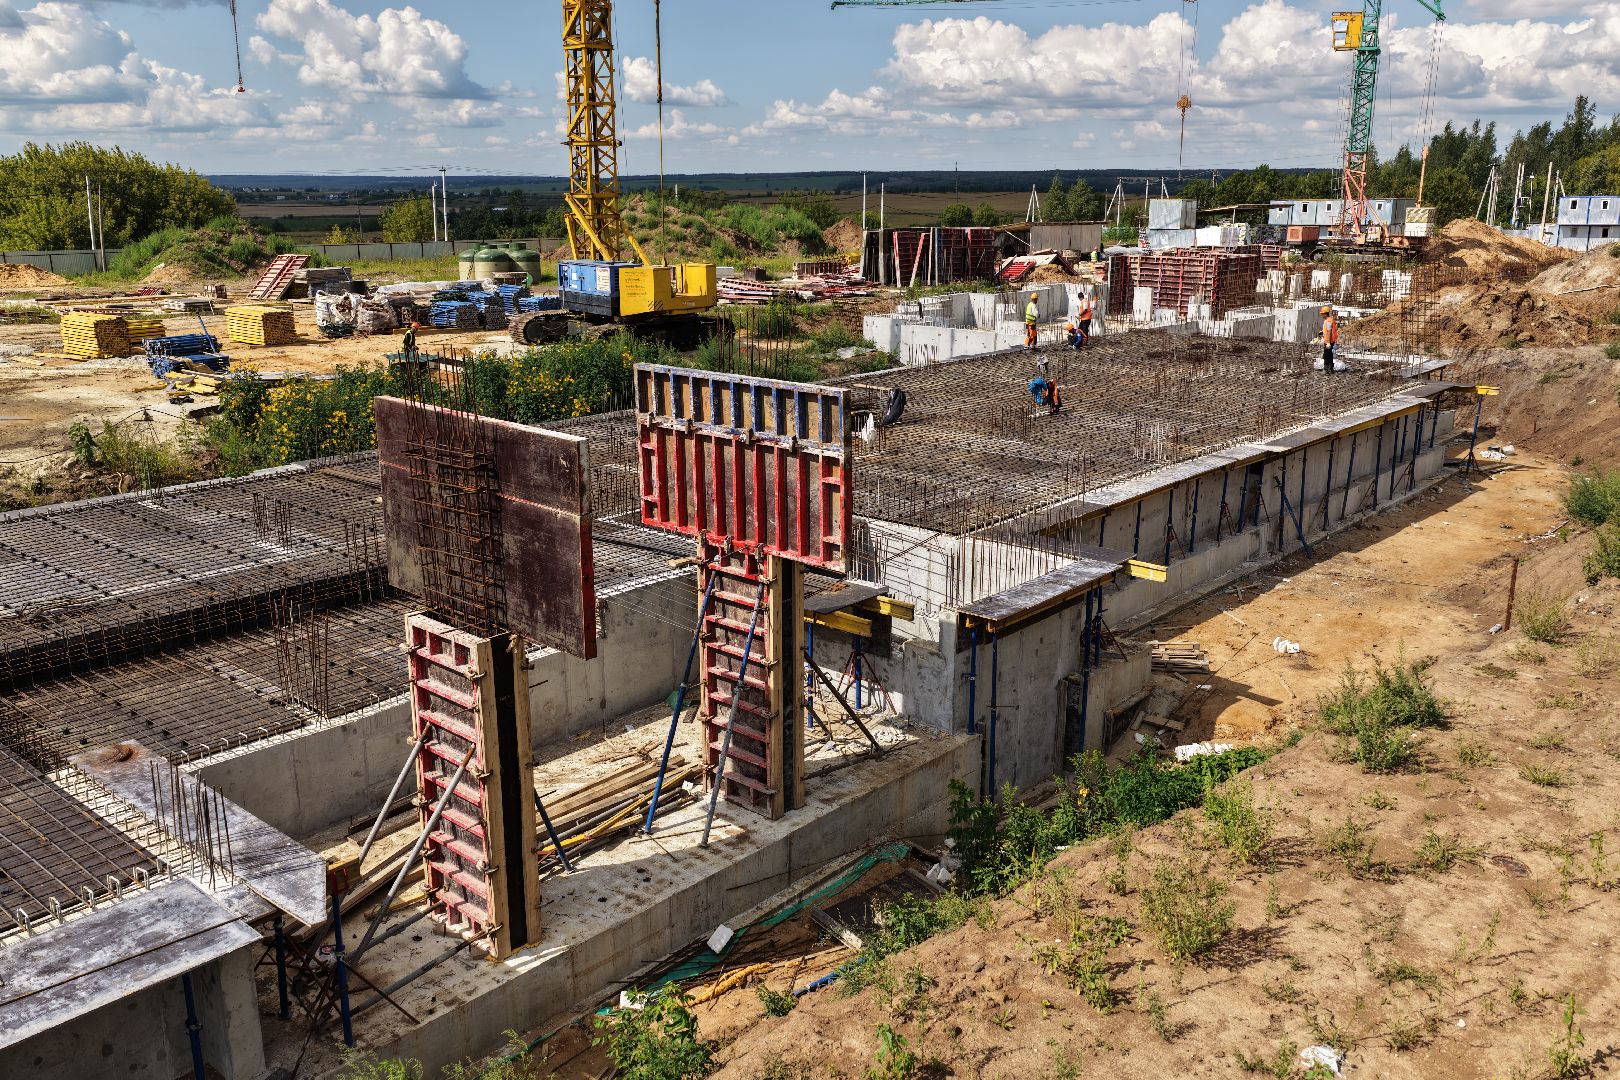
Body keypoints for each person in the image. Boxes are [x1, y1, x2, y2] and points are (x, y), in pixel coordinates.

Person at [1316, 305, 1339, 374]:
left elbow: (1329, 332)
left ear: (1325, 314)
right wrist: (1322, 332)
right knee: (1330, 355)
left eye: (1322, 314)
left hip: (1329, 341)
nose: (1322, 315)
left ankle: (1326, 370)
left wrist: (1328, 342)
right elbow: (1328, 330)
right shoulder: (1329, 320)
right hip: (1330, 341)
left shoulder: (1328, 321)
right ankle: (1331, 369)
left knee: (1326, 355)